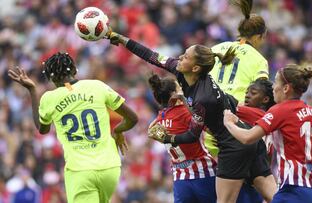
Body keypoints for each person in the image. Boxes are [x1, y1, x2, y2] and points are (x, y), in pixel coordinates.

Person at [106, 30, 258, 203]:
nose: (180, 57)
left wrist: (166, 137)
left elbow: (192, 135)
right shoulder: (183, 74)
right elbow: (151, 56)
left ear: (195, 68)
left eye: (185, 57)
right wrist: (122, 39)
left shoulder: (203, 98)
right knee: (265, 193)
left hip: (234, 147)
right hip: (235, 141)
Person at [7, 52, 138, 203]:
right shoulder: (97, 86)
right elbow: (132, 118)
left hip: (80, 172)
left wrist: (32, 91)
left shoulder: (49, 98)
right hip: (110, 168)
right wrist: (118, 131)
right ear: (74, 70)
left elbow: (42, 129)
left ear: (50, 78)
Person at [223, 64, 312, 203]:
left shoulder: (280, 110)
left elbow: (247, 138)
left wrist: (229, 122)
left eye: (276, 82)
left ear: (286, 88)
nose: (273, 87)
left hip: (292, 190)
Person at [208, 0, 276, 201]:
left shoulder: (216, 48)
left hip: (212, 126)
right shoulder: (258, 59)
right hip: (240, 124)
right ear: (259, 36)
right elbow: (261, 95)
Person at [147, 74, 217, 203]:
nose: (182, 89)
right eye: (179, 87)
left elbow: (151, 132)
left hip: (180, 176)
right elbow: (210, 129)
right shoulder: (184, 112)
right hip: (203, 171)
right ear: (174, 94)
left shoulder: (160, 118)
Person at [235, 79, 277, 203]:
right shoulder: (268, 116)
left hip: (248, 174)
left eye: (253, 93)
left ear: (265, 99)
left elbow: (225, 108)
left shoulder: (254, 113)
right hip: (257, 174)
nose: (247, 95)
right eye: (247, 92)